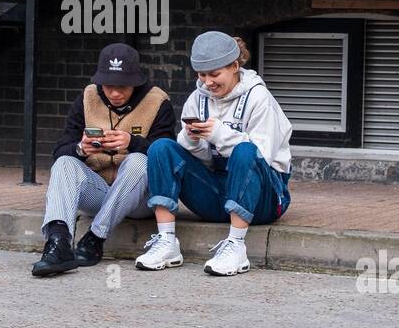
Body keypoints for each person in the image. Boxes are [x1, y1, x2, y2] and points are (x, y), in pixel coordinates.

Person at [137, 32, 293, 277]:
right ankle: (167, 241)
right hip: (218, 194)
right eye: (202, 75)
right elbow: (204, 161)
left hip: (265, 200)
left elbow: (262, 155)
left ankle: (236, 245)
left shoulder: (259, 97)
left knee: (245, 150)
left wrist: (219, 133)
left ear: (234, 66)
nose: (207, 82)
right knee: (161, 148)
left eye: (214, 74)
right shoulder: (196, 99)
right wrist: (192, 139)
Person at [32, 43, 177, 277]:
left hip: (141, 198)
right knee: (65, 162)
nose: (115, 93)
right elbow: (60, 150)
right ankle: (57, 244)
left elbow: (166, 153)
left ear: (136, 81)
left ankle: (95, 237)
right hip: (100, 192)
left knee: (139, 160)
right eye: (109, 86)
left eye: (122, 86)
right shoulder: (88, 96)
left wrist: (132, 143)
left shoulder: (158, 101)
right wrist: (80, 149)